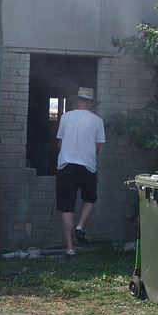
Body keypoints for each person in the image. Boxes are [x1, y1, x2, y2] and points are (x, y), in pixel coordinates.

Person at [55, 87, 105, 257]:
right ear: (91, 103)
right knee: (90, 198)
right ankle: (80, 226)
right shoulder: (97, 121)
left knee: (67, 207)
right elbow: (97, 148)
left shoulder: (65, 117)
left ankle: (70, 248)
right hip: (87, 167)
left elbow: (60, 144)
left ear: (76, 101)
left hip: (66, 166)